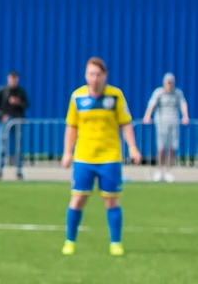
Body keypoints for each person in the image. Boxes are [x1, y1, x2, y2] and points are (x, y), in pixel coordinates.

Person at [62, 57, 139, 256]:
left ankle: (116, 243)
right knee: (78, 199)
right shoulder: (77, 97)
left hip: (109, 158)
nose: (94, 78)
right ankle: (70, 241)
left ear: (105, 75)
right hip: (84, 158)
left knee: (111, 201)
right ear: (86, 76)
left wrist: (132, 147)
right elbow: (71, 126)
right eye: (91, 74)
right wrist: (67, 152)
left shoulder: (115, 96)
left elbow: (126, 123)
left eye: (98, 74)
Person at [143, 73, 188, 182]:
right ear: (164, 83)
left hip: (174, 122)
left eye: (171, 83)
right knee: (161, 147)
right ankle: (159, 170)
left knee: (172, 147)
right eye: (168, 83)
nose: (169, 85)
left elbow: (183, 104)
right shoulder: (159, 92)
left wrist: (185, 116)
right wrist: (147, 116)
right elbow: (151, 104)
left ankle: (169, 171)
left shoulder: (178, 93)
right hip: (161, 123)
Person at [0, 71, 29, 180]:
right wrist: (1, 115)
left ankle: (19, 170)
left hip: (18, 120)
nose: (12, 81)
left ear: (17, 80)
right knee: (2, 146)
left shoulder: (21, 91)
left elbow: (26, 105)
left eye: (14, 79)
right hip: (5, 121)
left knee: (18, 147)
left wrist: (18, 102)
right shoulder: (2, 90)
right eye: (11, 79)